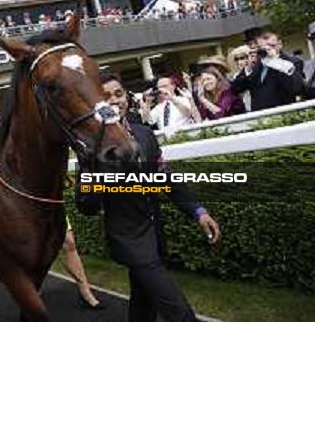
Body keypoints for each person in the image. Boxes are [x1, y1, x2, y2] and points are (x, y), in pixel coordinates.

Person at [76, 73, 220, 321]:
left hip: (155, 234)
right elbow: (87, 205)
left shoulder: (144, 134)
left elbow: (165, 178)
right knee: (178, 311)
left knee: (143, 306)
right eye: (106, 96)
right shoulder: (90, 145)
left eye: (118, 94)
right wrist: (95, 167)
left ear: (127, 99)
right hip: (129, 241)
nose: (114, 100)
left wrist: (198, 211)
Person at [231, 30, 304, 111]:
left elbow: (297, 88)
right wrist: (248, 69)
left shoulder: (293, 62)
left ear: (279, 44)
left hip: (284, 114)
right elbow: (235, 89)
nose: (267, 49)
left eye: (271, 45)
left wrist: (276, 61)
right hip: (259, 117)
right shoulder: (255, 64)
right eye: (262, 47)